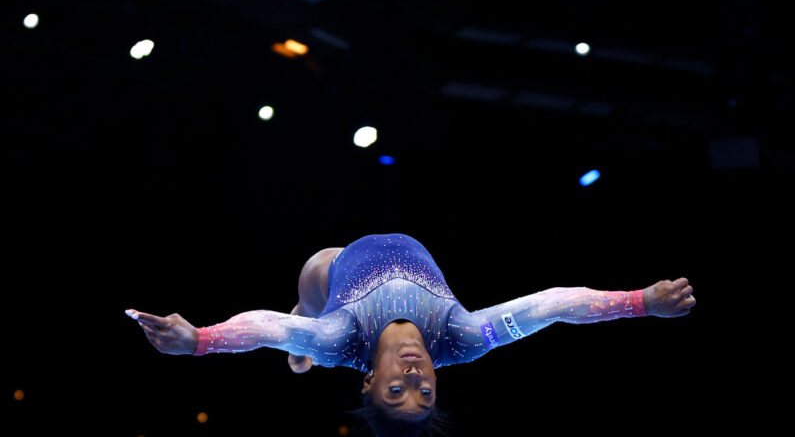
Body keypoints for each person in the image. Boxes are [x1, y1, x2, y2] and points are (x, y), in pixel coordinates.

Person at [126, 233, 695, 437]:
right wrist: (641, 303)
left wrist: (198, 339)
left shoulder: (342, 340)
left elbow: (261, 327)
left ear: (371, 382)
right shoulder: (462, 339)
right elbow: (550, 307)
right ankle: (300, 359)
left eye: (396, 392)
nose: (416, 380)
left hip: (331, 270)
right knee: (301, 342)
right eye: (426, 395)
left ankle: (303, 354)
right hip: (397, 267)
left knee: (301, 326)